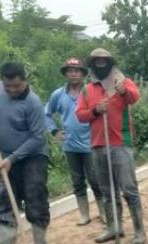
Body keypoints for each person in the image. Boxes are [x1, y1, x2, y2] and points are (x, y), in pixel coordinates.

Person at [0, 62, 50, 244]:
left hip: (32, 157)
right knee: (5, 199)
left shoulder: (33, 103)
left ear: (24, 80)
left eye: (16, 86)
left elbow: (37, 138)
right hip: (4, 156)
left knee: (35, 197)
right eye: (8, 86)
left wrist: (13, 158)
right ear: (2, 81)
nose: (12, 90)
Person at [75, 48, 146, 244]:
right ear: (92, 65)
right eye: (96, 61)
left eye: (103, 61)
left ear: (110, 62)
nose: (100, 63)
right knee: (107, 191)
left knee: (129, 189)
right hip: (98, 145)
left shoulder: (121, 81)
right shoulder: (88, 89)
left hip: (120, 143)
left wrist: (124, 91)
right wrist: (96, 110)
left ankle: (140, 231)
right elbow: (80, 115)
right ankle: (114, 227)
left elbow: (135, 97)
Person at [45, 57, 105, 226]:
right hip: (70, 145)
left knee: (95, 180)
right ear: (65, 74)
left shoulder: (90, 92)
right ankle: (84, 215)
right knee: (77, 182)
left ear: (83, 74)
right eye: (70, 71)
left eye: (77, 71)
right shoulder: (58, 94)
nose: (73, 74)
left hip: (91, 143)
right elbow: (46, 114)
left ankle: (103, 212)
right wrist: (55, 131)